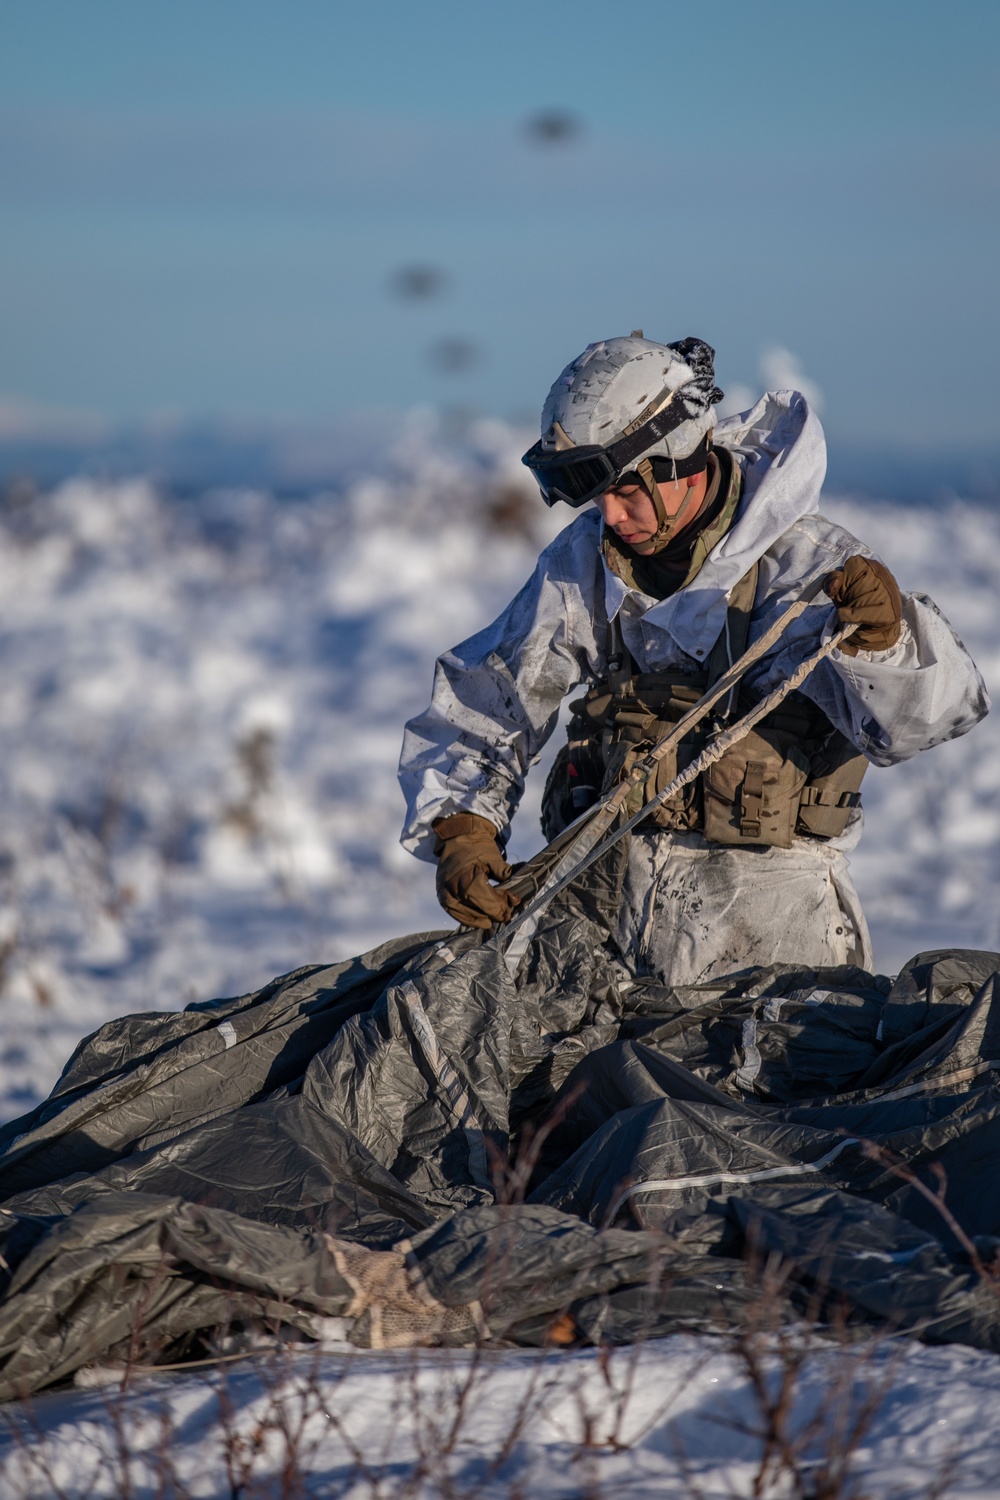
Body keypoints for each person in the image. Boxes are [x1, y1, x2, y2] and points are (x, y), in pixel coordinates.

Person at [398, 333, 989, 984]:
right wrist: (463, 826)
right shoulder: (584, 564)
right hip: (600, 922)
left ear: (681, 455)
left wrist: (888, 639)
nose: (611, 514)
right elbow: (491, 695)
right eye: (597, 495)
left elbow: (934, 718)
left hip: (774, 937)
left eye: (628, 490)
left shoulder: (808, 567)